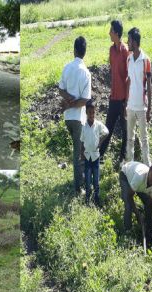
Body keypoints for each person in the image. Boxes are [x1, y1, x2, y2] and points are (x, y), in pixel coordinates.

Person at [57, 36, 91, 195]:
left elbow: (61, 90)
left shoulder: (66, 67)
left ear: (74, 50)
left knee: (79, 150)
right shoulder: (86, 73)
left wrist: (67, 103)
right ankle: (78, 188)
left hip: (67, 118)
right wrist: (73, 103)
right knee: (78, 154)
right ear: (84, 52)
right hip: (78, 119)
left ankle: (80, 180)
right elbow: (84, 100)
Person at [99, 20, 129, 165]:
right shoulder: (111, 50)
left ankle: (122, 158)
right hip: (113, 97)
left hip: (123, 99)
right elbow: (113, 72)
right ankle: (99, 156)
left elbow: (129, 76)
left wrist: (127, 100)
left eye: (111, 30)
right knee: (107, 129)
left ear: (117, 33)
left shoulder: (125, 51)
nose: (109, 33)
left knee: (125, 130)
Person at [125, 27, 152, 166]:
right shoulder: (129, 59)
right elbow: (129, 82)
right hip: (130, 106)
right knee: (130, 138)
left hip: (142, 107)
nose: (127, 42)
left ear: (134, 42)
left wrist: (150, 108)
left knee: (144, 139)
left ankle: (148, 168)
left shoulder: (145, 60)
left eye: (129, 40)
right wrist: (125, 103)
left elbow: (149, 86)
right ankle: (129, 166)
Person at [120, 161, 152, 246]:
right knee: (128, 206)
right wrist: (138, 214)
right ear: (149, 171)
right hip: (126, 175)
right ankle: (128, 233)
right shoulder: (139, 176)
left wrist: (147, 218)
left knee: (149, 204)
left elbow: (150, 200)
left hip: (139, 187)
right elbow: (129, 196)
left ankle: (150, 232)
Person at [80, 101, 109, 206]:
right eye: (89, 113)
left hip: (96, 157)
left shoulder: (98, 125)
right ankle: (87, 199)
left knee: (96, 181)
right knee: (88, 180)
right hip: (87, 157)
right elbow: (82, 141)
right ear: (86, 113)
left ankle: (96, 199)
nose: (91, 115)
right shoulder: (84, 126)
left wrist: (100, 141)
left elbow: (106, 132)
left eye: (93, 112)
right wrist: (81, 154)